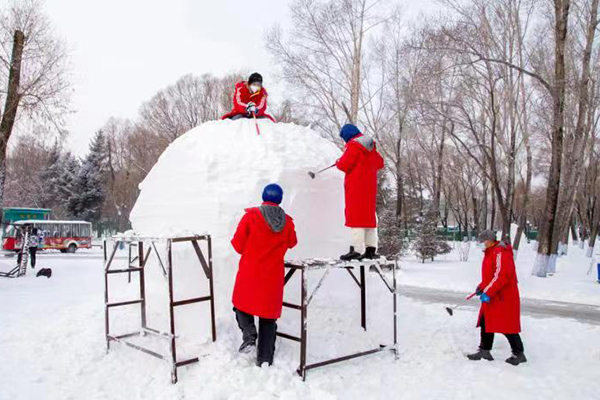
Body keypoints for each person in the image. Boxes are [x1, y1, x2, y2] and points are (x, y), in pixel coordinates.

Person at [230, 183, 298, 366]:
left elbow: (237, 244)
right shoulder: (288, 222)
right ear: (280, 199)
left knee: (241, 304)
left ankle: (249, 337)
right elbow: (293, 242)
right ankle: (265, 359)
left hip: (250, 272)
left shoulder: (251, 217)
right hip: (272, 276)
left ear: (263, 196)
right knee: (268, 316)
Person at [467, 230, 527, 366]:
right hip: (494, 294)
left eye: (482, 242)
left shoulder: (501, 252)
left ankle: (519, 353)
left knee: (507, 326)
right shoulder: (490, 252)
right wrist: (482, 286)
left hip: (503, 297)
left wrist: (487, 292)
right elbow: (490, 275)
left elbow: (502, 276)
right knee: (486, 322)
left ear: (490, 240)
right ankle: (484, 350)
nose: (481, 244)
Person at [336, 124, 384, 261]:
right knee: (368, 219)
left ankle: (356, 250)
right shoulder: (370, 146)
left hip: (356, 188)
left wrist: (338, 161)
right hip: (369, 190)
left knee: (356, 219)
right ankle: (371, 250)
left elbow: (344, 165)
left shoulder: (354, 146)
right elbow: (380, 163)